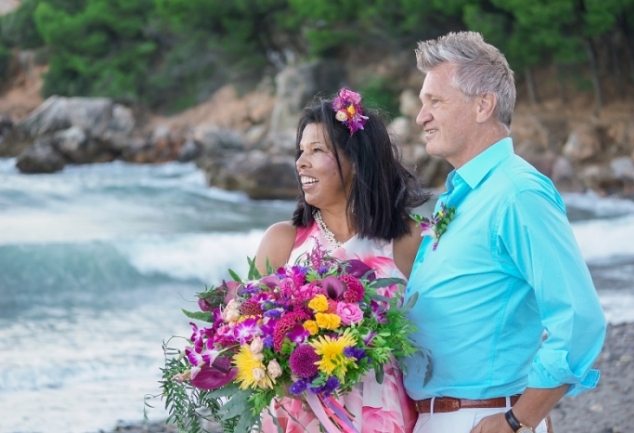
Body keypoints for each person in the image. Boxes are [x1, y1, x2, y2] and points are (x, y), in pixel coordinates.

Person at [402, 31, 607, 433]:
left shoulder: (517, 193)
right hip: (437, 418)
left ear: (483, 106)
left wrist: (518, 420)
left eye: (435, 102)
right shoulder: (457, 197)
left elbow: (579, 319)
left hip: (481, 418)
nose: (420, 117)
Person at [255, 88, 429, 432]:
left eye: (317, 150)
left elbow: (439, 334)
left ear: (356, 161)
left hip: (379, 413)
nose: (300, 162)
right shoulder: (283, 241)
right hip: (298, 417)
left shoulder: (409, 241)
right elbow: (248, 344)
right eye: (301, 151)